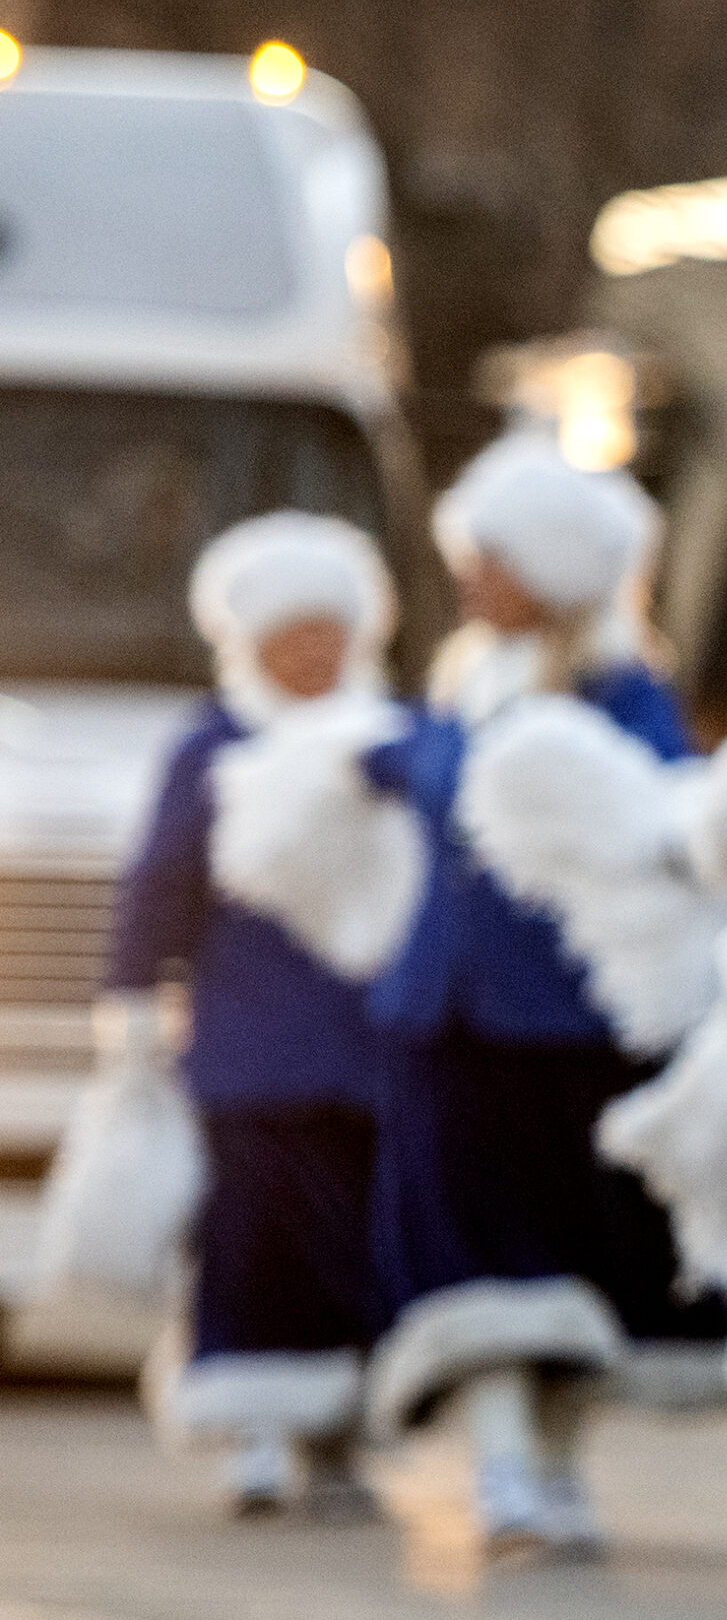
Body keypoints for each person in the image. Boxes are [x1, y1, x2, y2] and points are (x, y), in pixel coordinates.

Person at [358, 434, 710, 1560]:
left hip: (568, 1028)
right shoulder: (463, 680)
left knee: (571, 1259)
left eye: (492, 556)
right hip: (446, 1022)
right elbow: (410, 767)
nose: (469, 577)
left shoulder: (622, 688)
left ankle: (553, 1468)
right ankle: (504, 1465)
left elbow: (662, 822)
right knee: (465, 1249)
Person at [109, 513, 395, 1520]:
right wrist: (137, 999)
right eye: (294, 633)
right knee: (249, 1235)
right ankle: (258, 1428)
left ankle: (339, 1429)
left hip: (370, 1044)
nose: (315, 652)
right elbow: (159, 884)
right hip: (251, 1044)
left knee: (359, 1238)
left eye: (330, 630)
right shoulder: (211, 746)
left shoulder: (388, 736)